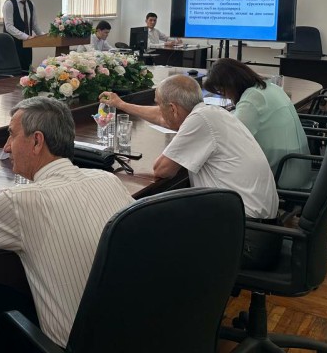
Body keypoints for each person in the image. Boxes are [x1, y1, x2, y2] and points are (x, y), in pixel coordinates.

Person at [0, 97, 134, 348]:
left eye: (11, 135)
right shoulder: (108, 180)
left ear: (36, 141)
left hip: (76, 345)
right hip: (135, 333)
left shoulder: (21, 201)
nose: (6, 147)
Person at [100, 75, 280, 270]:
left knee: (148, 229)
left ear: (173, 108)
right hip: (263, 230)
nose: (159, 110)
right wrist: (122, 105)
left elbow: (162, 170)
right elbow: (162, 117)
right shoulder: (211, 113)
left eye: (159, 104)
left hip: (245, 240)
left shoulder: (199, 121)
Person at [204, 58, 312, 189]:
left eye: (222, 91)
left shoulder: (253, 99)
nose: (225, 96)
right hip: (297, 168)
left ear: (231, 83)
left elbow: (230, 139)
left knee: (209, 166)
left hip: (282, 176)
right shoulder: (270, 87)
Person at [3, 0, 42, 72]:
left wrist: (44, 36)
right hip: (13, 45)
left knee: (26, 72)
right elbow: (9, 26)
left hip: (27, 45)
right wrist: (26, 37)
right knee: (15, 73)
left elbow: (34, 25)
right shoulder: (9, 4)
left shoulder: (31, 4)